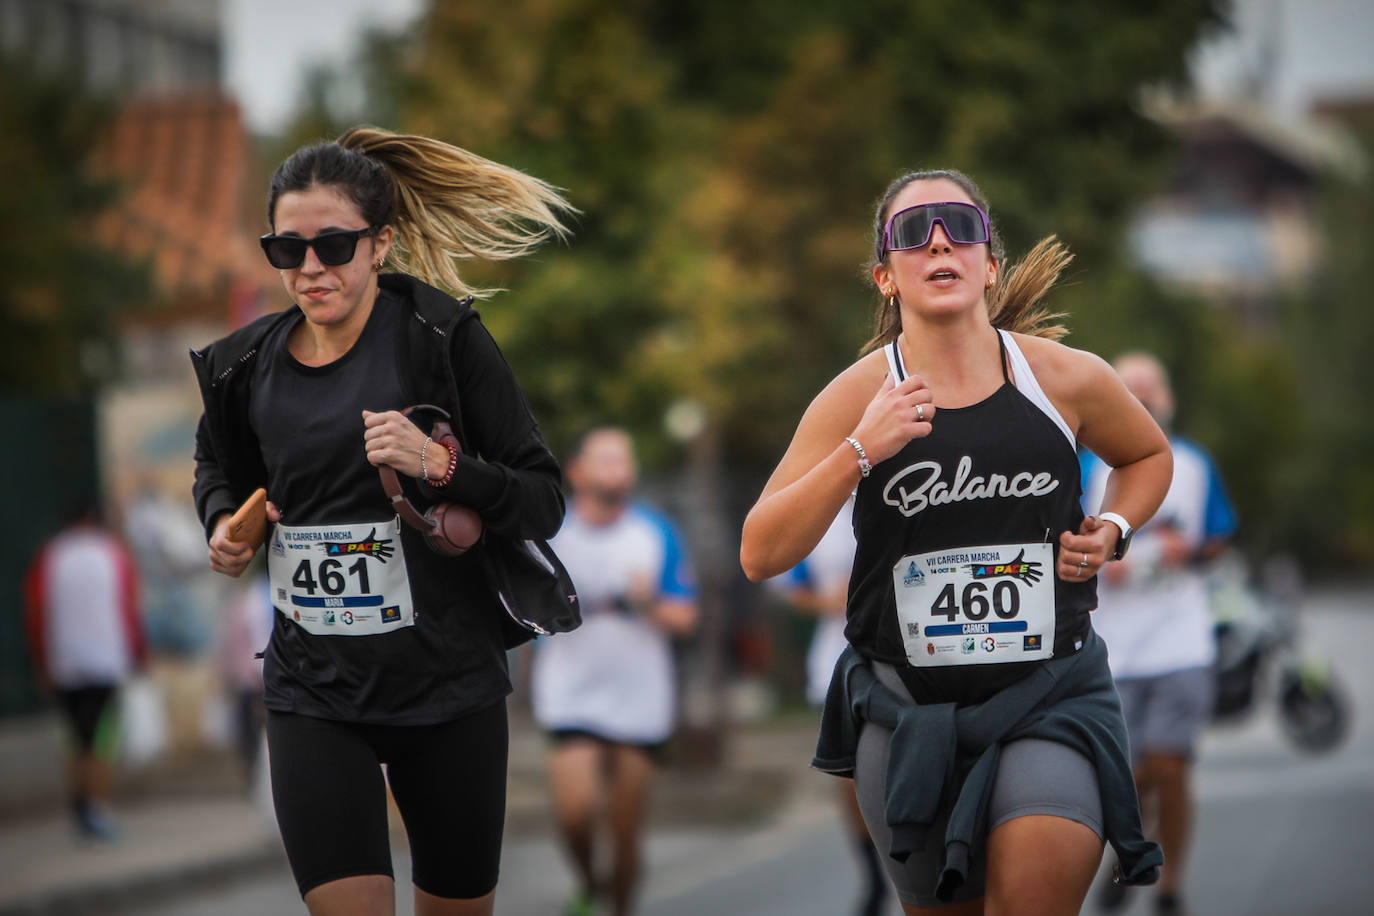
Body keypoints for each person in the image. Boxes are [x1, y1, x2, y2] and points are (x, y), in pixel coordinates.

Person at [740, 169, 1175, 915]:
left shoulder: (1065, 379)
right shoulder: (858, 396)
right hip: (910, 711)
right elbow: (761, 551)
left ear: (989, 265)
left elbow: (1147, 455)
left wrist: (1113, 527)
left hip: (1050, 694)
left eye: (960, 226)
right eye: (913, 232)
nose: (939, 240)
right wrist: (861, 450)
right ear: (886, 276)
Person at [191, 127, 572, 916]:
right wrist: (224, 521)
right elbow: (219, 468)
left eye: (332, 245)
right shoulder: (242, 368)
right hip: (312, 690)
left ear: (380, 243)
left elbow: (542, 499)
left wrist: (440, 467)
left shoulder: (442, 341)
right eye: (286, 248)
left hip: (448, 688)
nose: (309, 268)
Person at [1082, 352, 1238, 916]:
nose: (1143, 400)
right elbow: (1056, 540)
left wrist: (1188, 551)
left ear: (1167, 398)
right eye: (1132, 391)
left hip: (1180, 638)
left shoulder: (1194, 464)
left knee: (1170, 766)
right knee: (1122, 773)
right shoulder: (1083, 467)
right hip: (1113, 650)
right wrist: (1099, 561)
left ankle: (1169, 890)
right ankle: (1127, 853)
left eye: (1151, 390)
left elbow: (1219, 533)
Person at [530, 428, 698, 916]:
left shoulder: (655, 532)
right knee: (576, 812)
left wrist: (646, 602)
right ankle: (587, 880)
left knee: (625, 829)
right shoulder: (552, 532)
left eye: (625, 461)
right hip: (570, 690)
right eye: (606, 460)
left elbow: (686, 617)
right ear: (578, 471)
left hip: (640, 693)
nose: (620, 471)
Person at [782, 493, 891, 916]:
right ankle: (874, 875)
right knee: (854, 780)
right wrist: (831, 601)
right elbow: (794, 586)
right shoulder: (824, 506)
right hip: (839, 655)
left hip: (909, 650)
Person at [23, 501, 147, 841]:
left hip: (64, 664)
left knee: (75, 738)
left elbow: (36, 613)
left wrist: (43, 662)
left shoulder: (50, 557)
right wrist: (138, 653)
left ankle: (80, 808)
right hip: (106, 660)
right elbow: (129, 608)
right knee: (102, 740)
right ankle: (99, 808)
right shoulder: (113, 554)